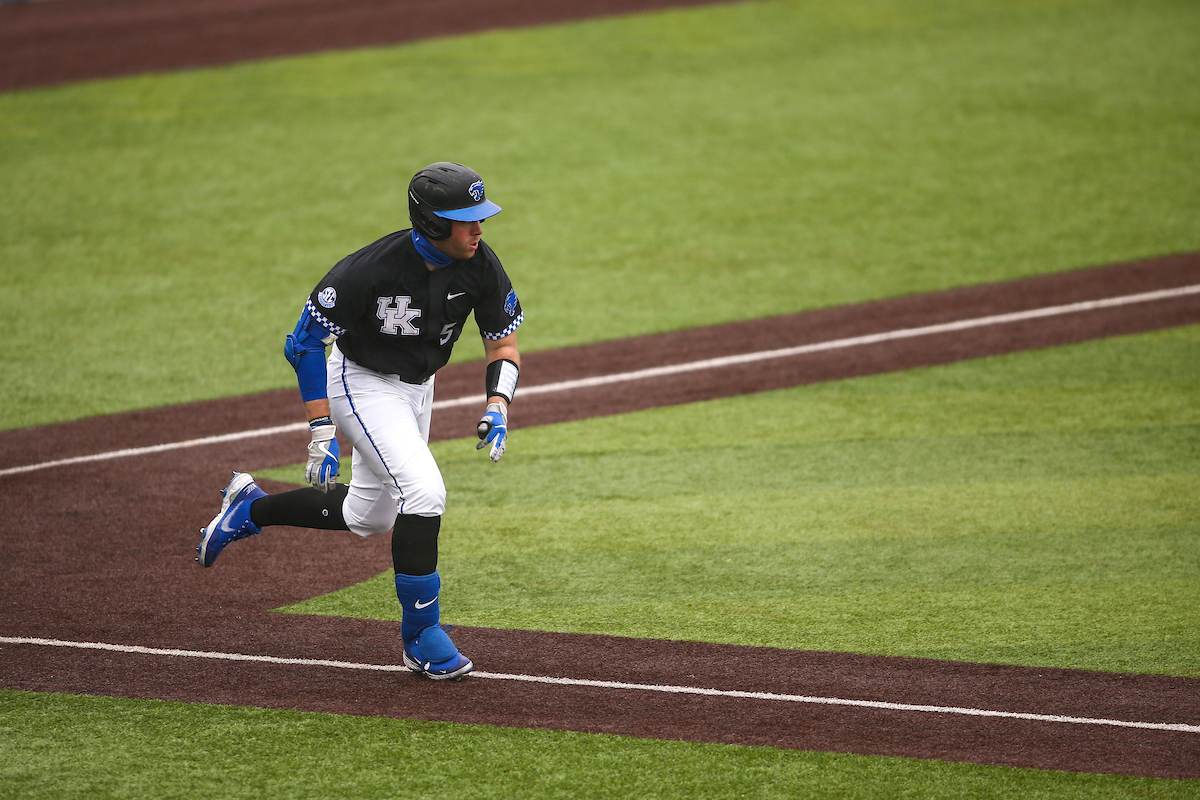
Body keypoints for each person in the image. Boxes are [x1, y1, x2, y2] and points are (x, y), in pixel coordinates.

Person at [195, 162, 523, 681]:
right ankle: (421, 637)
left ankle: (251, 508)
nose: (479, 230)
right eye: (467, 220)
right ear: (433, 224)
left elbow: (501, 342)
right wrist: (321, 431)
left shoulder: (480, 264)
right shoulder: (369, 271)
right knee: (424, 492)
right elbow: (302, 342)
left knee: (369, 517)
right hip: (361, 382)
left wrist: (498, 404)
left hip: (419, 387)